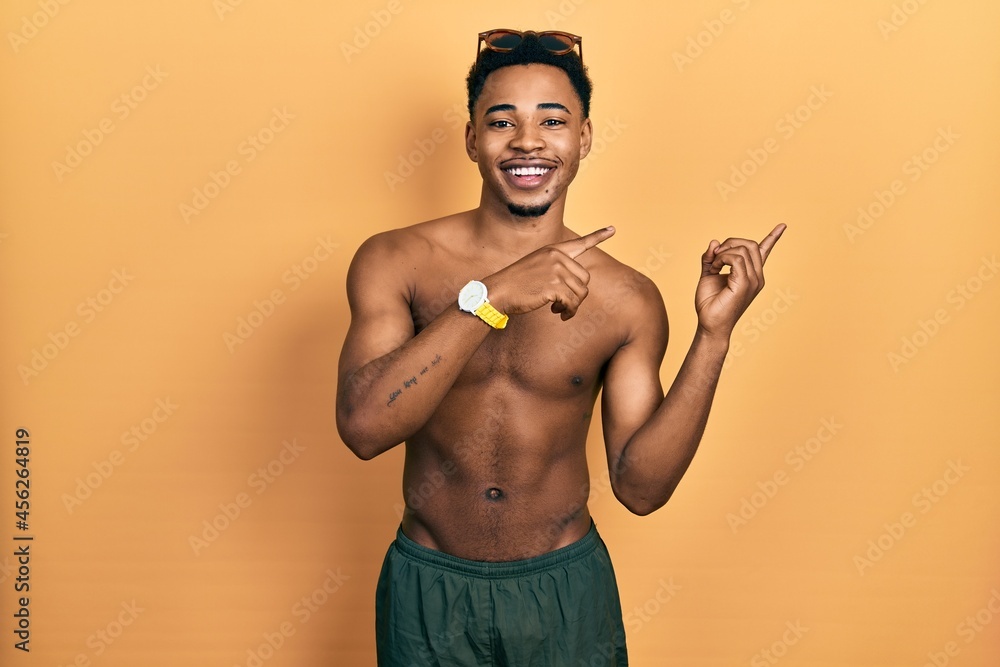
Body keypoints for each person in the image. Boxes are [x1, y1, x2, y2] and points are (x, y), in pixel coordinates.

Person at [336, 28, 785, 666]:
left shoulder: (626, 298)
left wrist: (714, 335)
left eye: (553, 120)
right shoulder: (396, 260)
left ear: (584, 138)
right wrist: (489, 299)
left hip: (565, 593)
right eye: (501, 121)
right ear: (471, 138)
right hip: (430, 589)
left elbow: (642, 488)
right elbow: (363, 428)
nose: (527, 141)